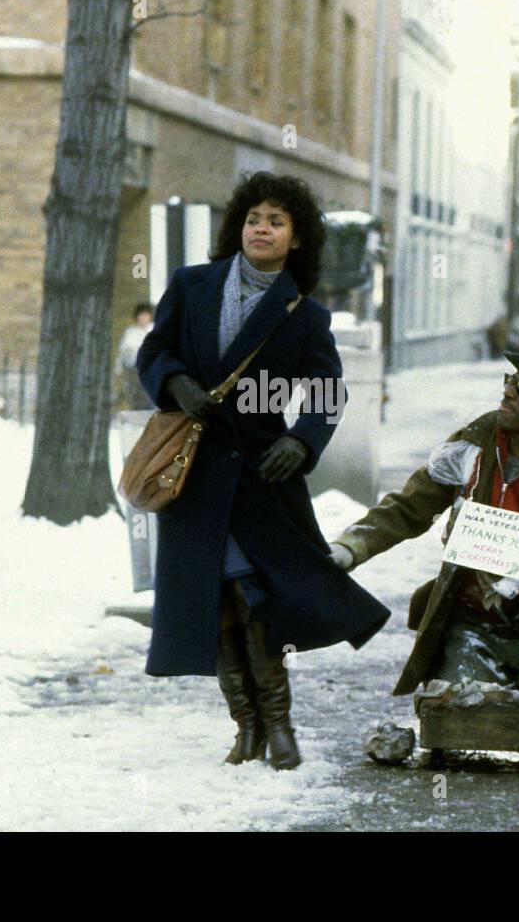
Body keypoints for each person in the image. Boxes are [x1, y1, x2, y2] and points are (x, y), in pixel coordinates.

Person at [135, 172, 389, 770]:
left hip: (259, 479)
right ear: (239, 227)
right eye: (254, 219)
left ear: (296, 239)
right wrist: (175, 383)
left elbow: (328, 389)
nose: (262, 229)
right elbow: (154, 352)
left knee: (256, 600)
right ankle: (245, 727)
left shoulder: (303, 314)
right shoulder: (191, 285)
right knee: (214, 600)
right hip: (193, 474)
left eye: (276, 221)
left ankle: (279, 727)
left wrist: (301, 443)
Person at [327, 347, 519, 703]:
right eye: (509, 381)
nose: (507, 391)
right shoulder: (469, 453)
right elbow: (408, 508)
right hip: (471, 626)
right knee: (459, 708)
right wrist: (350, 547)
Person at [115, 302, 154, 411]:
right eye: (141, 315)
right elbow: (122, 352)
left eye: (146, 315)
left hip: (151, 370)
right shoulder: (130, 332)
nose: (143, 318)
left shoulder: (155, 331)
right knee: (135, 398)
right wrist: (118, 370)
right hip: (133, 372)